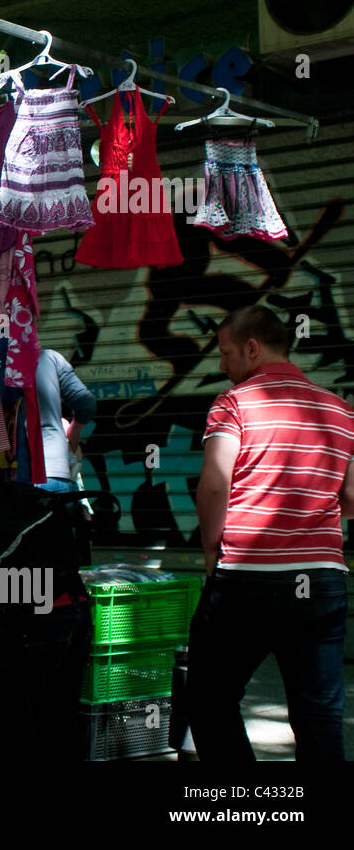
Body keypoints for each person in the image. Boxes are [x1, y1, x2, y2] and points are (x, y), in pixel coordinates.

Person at [188, 305, 354, 761]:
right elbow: (353, 499)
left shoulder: (233, 402)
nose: (222, 365)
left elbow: (215, 484)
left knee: (208, 698)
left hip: (249, 577)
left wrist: (210, 551)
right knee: (319, 713)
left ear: (252, 347)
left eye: (225, 353)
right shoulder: (341, 410)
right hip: (320, 580)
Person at [34, 347, 96, 493]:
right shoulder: (48, 358)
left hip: (7, 474)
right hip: (52, 470)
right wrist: (74, 433)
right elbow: (86, 403)